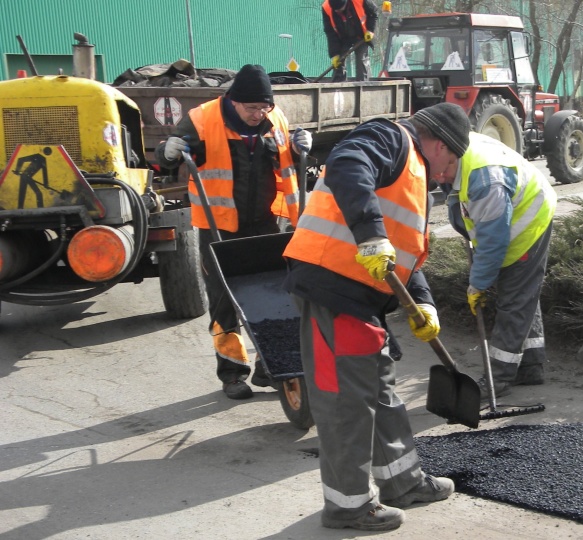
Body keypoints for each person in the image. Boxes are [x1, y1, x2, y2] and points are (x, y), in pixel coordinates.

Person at [281, 102, 471, 532]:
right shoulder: (390, 138)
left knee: (381, 390)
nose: (448, 173)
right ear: (439, 144)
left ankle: (403, 482)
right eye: (452, 161)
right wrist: (369, 234)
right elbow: (346, 164)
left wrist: (423, 303)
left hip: (360, 296)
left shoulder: (415, 173)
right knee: (346, 402)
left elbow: (405, 253)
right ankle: (348, 506)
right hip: (332, 288)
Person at [155, 64, 312, 400]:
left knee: (275, 297)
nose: (258, 114)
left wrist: (299, 146)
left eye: (263, 107)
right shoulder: (202, 120)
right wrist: (167, 152)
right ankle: (232, 373)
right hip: (219, 229)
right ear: (233, 101)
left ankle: (271, 366)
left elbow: (286, 158)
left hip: (265, 225)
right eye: (251, 108)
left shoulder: (275, 119)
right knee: (224, 302)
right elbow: (168, 157)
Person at [436, 130, 557, 399]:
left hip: (528, 221)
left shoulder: (485, 178)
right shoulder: (455, 150)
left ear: (450, 153)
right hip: (509, 215)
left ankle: (498, 379)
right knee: (523, 295)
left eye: (442, 173)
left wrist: (477, 284)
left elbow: (493, 243)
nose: (438, 178)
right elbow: (458, 198)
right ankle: (531, 366)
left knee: (514, 301)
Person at [322, 0, 379, 82]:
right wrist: (334, 54)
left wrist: (370, 30)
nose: (337, 12)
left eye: (340, 9)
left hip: (361, 36)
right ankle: (337, 86)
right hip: (343, 38)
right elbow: (330, 32)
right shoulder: (326, 7)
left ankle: (362, 85)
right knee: (338, 62)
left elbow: (373, 13)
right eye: (335, 10)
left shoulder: (360, 1)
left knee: (361, 59)